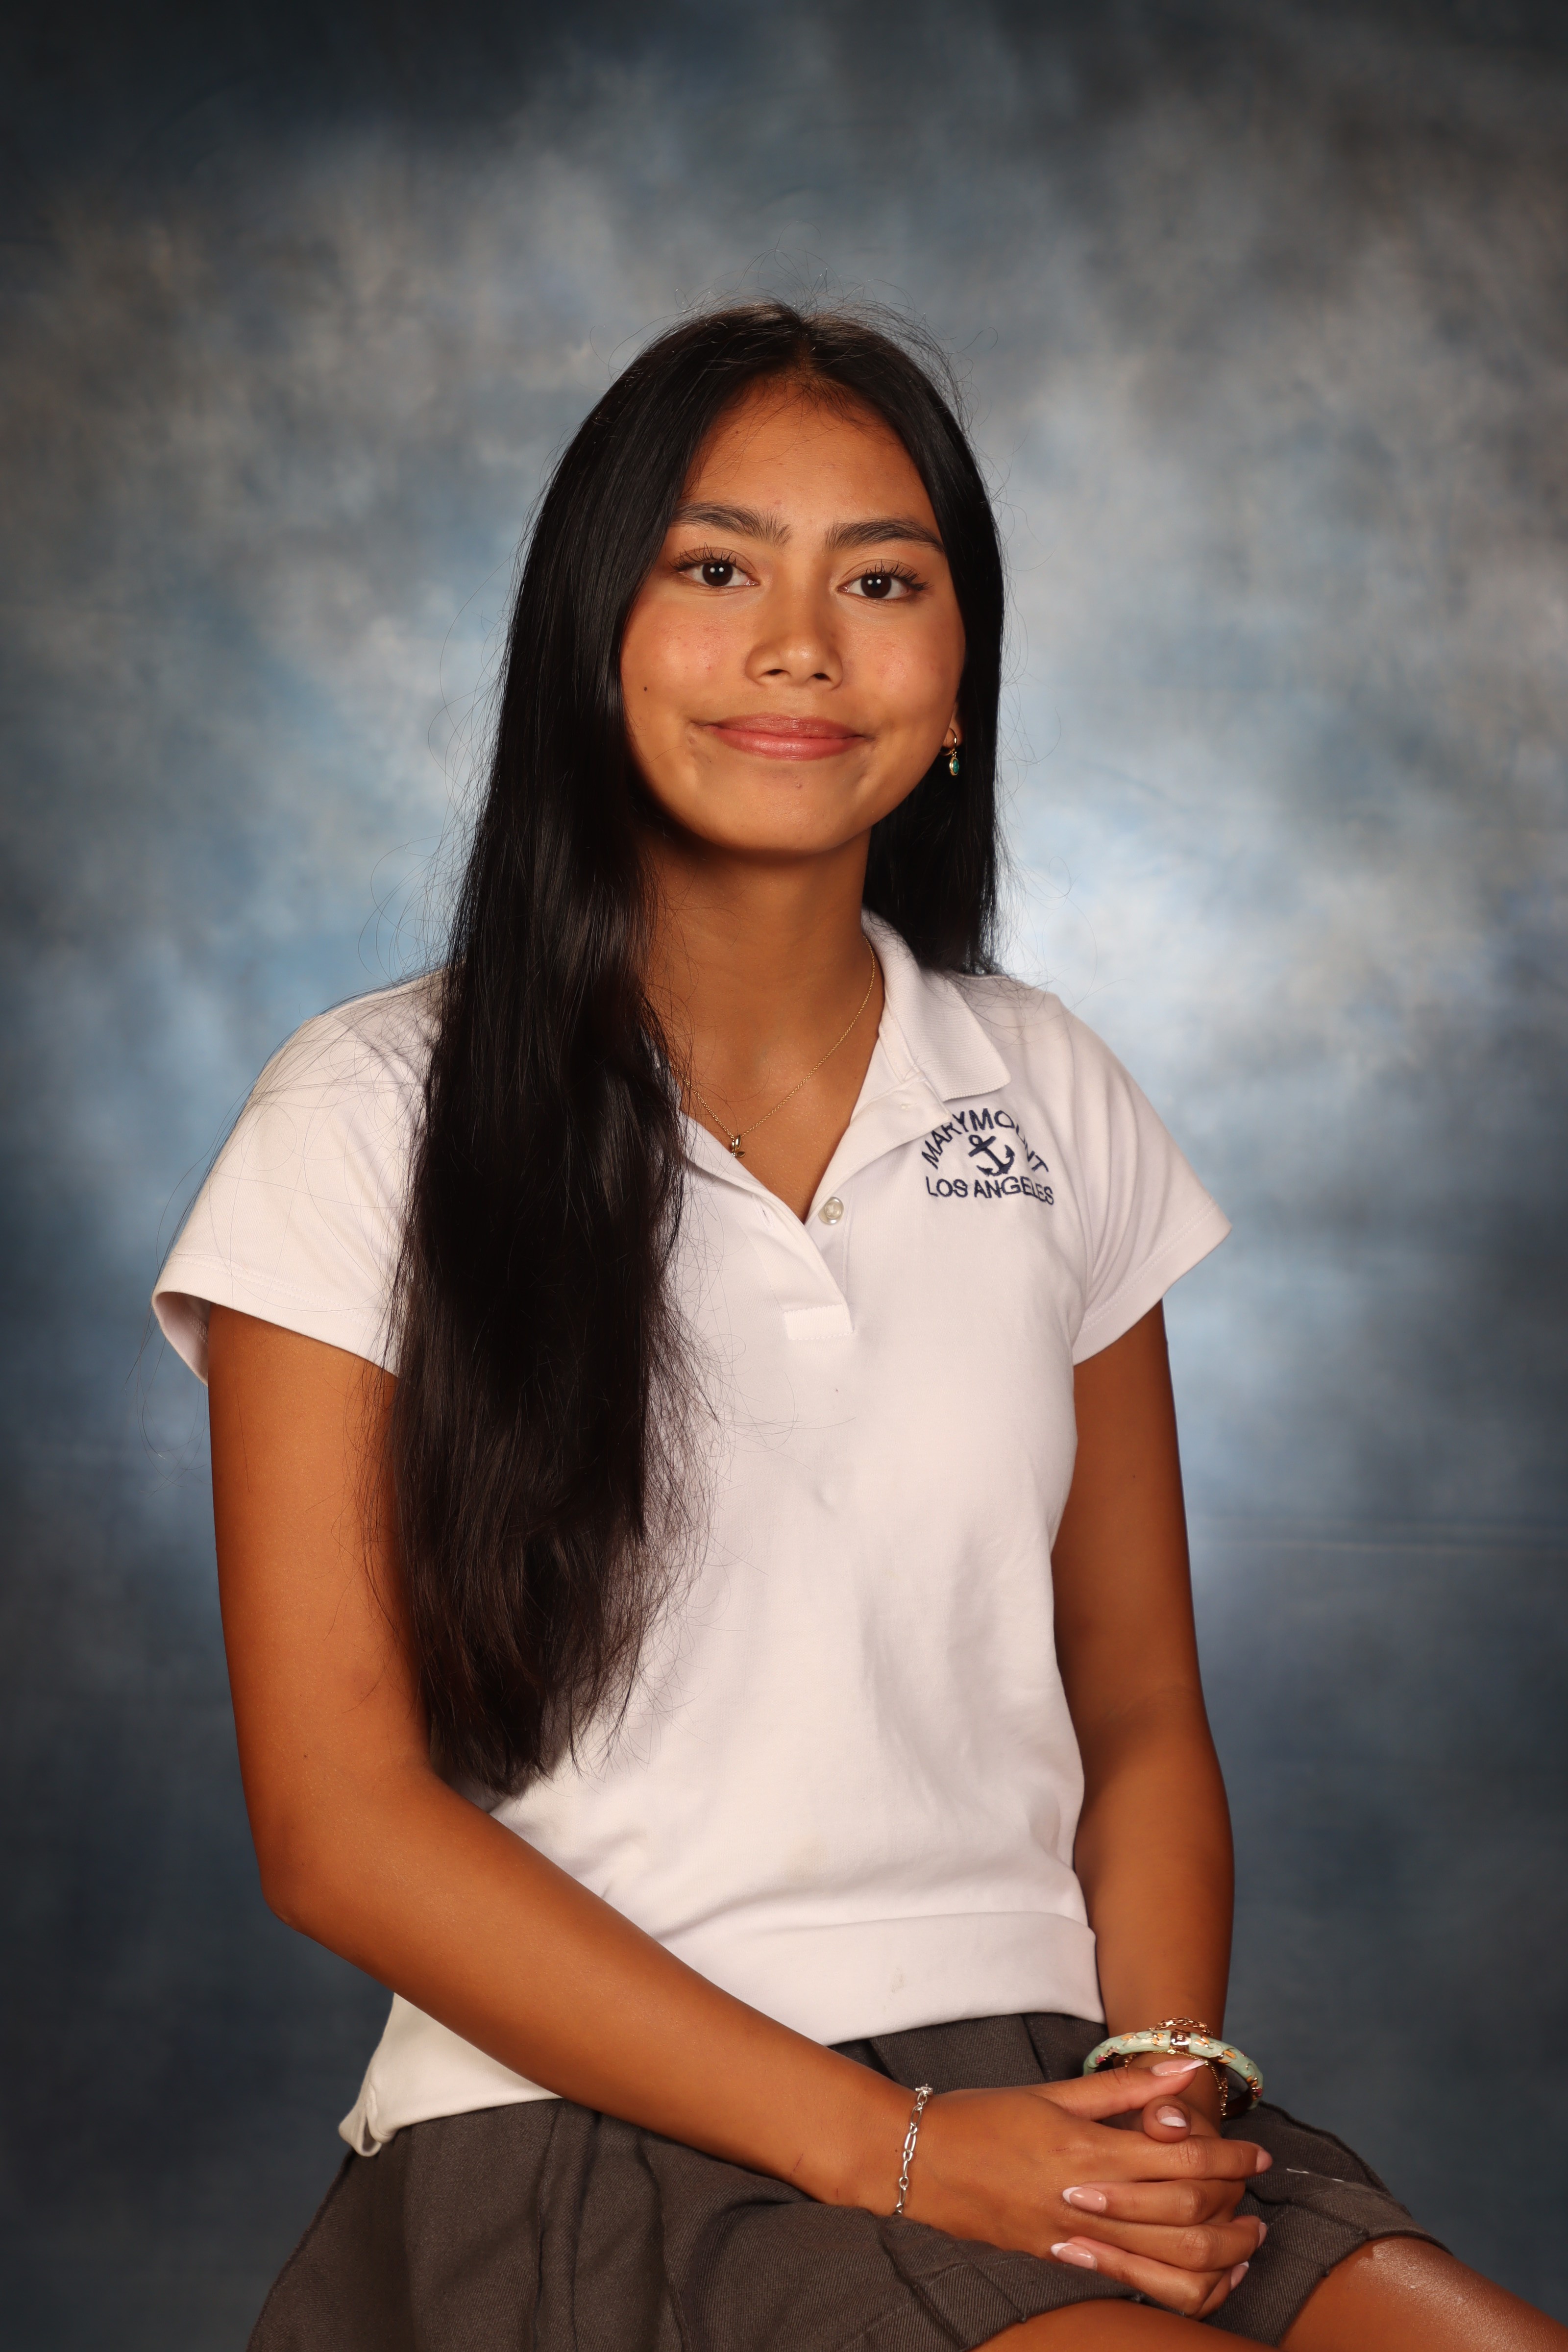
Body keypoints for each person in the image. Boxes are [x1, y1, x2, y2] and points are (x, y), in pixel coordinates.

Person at [153, 302, 1565, 2352]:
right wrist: (894, 2152)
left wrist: (1158, 2094)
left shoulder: (1043, 1086)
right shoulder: (369, 1113)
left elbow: (1136, 1706)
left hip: (1046, 2086)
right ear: (590, 646)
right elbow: (340, 1827)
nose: (801, 647)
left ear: (959, 676)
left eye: (881, 583)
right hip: (590, 2127)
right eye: (716, 569)